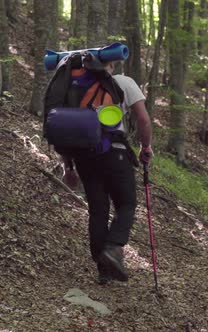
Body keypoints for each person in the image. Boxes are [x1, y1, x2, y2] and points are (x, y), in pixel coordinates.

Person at [62, 61, 153, 284]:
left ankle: (104, 271)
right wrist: (146, 147)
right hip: (115, 153)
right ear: (111, 63)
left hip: (84, 157)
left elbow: (65, 129)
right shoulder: (123, 82)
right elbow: (142, 118)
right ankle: (113, 248)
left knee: (98, 211)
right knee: (127, 204)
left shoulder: (74, 87)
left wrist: (68, 167)